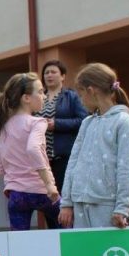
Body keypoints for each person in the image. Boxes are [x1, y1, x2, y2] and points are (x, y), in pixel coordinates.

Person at [0, 72, 60, 231]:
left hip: (16, 195)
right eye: (40, 92)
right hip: (41, 191)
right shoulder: (38, 123)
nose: (44, 96)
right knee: (69, 226)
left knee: (18, 243)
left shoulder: (2, 127)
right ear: (26, 98)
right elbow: (33, 149)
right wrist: (49, 184)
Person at [58, 64, 129, 230]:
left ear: (91, 90)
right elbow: (72, 163)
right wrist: (66, 202)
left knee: (104, 254)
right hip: (79, 203)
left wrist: (122, 208)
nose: (81, 101)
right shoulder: (87, 123)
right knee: (82, 255)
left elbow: (126, 168)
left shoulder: (124, 121)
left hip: (106, 205)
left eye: (81, 95)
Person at [36, 59, 88, 192]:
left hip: (63, 157)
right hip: (42, 159)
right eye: (46, 73)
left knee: (64, 196)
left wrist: (57, 124)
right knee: (48, 199)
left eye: (53, 72)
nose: (49, 75)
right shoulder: (38, 97)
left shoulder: (71, 97)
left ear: (63, 76)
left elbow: (84, 120)